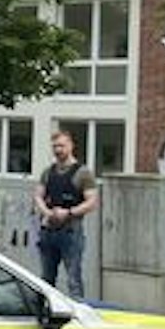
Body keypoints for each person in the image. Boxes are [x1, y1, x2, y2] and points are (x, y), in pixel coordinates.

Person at [33, 129, 97, 302]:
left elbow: (92, 202)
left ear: (71, 146)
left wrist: (68, 213)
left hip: (71, 231)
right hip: (48, 231)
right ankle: (45, 311)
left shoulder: (83, 173)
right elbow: (38, 195)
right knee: (46, 278)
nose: (58, 150)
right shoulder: (48, 172)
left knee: (73, 279)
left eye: (61, 145)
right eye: (55, 146)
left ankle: (79, 313)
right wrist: (47, 213)